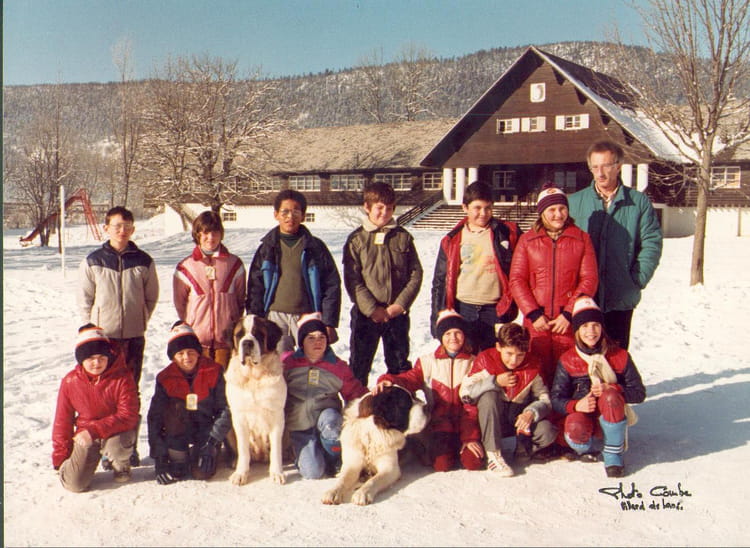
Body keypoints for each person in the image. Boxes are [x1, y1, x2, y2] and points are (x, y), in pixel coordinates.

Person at [77, 205, 159, 467]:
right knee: (105, 394)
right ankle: (105, 450)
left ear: (133, 229)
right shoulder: (94, 261)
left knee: (130, 392)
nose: (122, 231)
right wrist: (92, 330)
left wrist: (140, 319)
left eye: (127, 226)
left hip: (133, 337)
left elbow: (151, 297)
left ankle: (127, 447)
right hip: (105, 341)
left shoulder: (144, 261)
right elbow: (85, 299)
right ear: (106, 228)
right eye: (117, 226)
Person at [568, 140, 663, 349]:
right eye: (595, 167)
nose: (600, 173)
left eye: (606, 166)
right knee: (583, 357)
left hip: (620, 294)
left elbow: (651, 243)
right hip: (584, 297)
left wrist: (635, 280)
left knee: (616, 357)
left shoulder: (638, 202)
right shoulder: (574, 203)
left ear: (618, 166)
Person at [374, 309, 484, 472]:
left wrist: (470, 437)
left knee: (473, 463)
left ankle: (460, 445)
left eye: (457, 333)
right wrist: (388, 380)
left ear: (464, 335)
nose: (453, 338)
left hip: (466, 422)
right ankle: (426, 444)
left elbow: (472, 406)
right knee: (442, 465)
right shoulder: (428, 362)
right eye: (447, 334)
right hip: (440, 423)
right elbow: (409, 379)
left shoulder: (474, 362)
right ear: (441, 337)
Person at [509, 184, 598, 385]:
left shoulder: (581, 239)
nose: (558, 214)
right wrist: (533, 313)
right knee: (536, 373)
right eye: (552, 209)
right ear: (542, 212)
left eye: (562, 208)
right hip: (537, 321)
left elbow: (589, 279)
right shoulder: (527, 240)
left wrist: (568, 314)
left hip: (567, 321)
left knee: (568, 373)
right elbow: (517, 279)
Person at [550, 297, 646, 478]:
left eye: (595, 325)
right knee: (575, 425)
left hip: (610, 416)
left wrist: (615, 388)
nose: (591, 331)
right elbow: (555, 399)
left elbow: (639, 393)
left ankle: (613, 454)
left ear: (602, 327)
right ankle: (586, 448)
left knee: (610, 396)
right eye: (584, 326)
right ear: (577, 330)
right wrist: (576, 405)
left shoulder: (619, 355)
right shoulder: (568, 359)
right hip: (583, 421)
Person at [343, 182, 423, 387]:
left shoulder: (403, 237)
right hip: (366, 315)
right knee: (359, 367)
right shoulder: (357, 240)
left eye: (389, 208)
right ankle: (357, 403)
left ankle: (397, 402)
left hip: (396, 315)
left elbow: (415, 274)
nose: (384, 213)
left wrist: (400, 305)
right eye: (379, 207)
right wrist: (372, 309)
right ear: (367, 207)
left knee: (399, 366)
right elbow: (353, 280)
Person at [431, 180, 522, 352]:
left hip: (496, 310)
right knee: (467, 359)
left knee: (493, 360)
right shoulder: (452, 240)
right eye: (477, 208)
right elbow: (440, 281)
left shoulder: (507, 233)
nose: (483, 213)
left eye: (488, 208)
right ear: (465, 208)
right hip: (464, 309)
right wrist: (438, 316)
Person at [246, 189, 342, 352]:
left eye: (296, 212)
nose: (290, 216)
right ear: (276, 214)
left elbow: (331, 285)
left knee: (312, 360)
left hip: (308, 316)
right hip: (275, 318)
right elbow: (256, 286)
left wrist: (328, 321)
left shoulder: (315, 247)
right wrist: (255, 319)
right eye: (285, 212)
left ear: (303, 216)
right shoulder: (267, 248)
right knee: (279, 361)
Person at [460, 322, 558, 477]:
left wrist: (531, 412)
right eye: (509, 353)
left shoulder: (533, 364)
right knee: (489, 396)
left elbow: (545, 399)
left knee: (547, 431)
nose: (514, 360)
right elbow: (465, 394)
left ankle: (521, 448)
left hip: (515, 418)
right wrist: (495, 382)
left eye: (520, 355)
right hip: (490, 420)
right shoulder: (485, 359)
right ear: (499, 347)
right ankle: (493, 453)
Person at [52, 325, 139, 492]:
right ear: (81, 359)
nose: (97, 363)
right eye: (91, 358)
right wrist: (60, 456)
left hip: (115, 432)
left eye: (101, 357)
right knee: (74, 485)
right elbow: (62, 420)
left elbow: (128, 415)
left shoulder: (122, 377)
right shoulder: (70, 381)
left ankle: (121, 464)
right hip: (86, 436)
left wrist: (94, 431)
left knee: (117, 445)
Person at [283, 313, 368, 479]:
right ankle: (303, 453)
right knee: (313, 473)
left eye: (322, 337)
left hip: (327, 418)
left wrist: (372, 400)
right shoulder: (288, 363)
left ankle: (334, 458)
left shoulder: (337, 366)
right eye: (311, 338)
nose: (318, 342)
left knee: (331, 423)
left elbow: (355, 393)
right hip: (299, 425)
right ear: (301, 342)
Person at [147, 322, 232, 485]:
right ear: (173, 357)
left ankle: (201, 451)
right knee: (177, 471)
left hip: (206, 429)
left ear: (198, 353)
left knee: (202, 473)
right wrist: (160, 458)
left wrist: (212, 442)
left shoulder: (214, 371)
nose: (187, 357)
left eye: (191, 352)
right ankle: (178, 454)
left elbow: (225, 409)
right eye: (180, 353)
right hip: (178, 430)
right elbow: (154, 418)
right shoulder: (165, 378)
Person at [173, 210, 246, 368]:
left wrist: (233, 322)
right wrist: (191, 325)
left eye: (215, 233)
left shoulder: (234, 264)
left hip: (226, 340)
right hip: (198, 341)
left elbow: (241, 299)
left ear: (221, 234)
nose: (211, 238)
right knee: (201, 380)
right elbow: (180, 303)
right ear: (197, 234)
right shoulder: (186, 266)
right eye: (206, 233)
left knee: (224, 380)